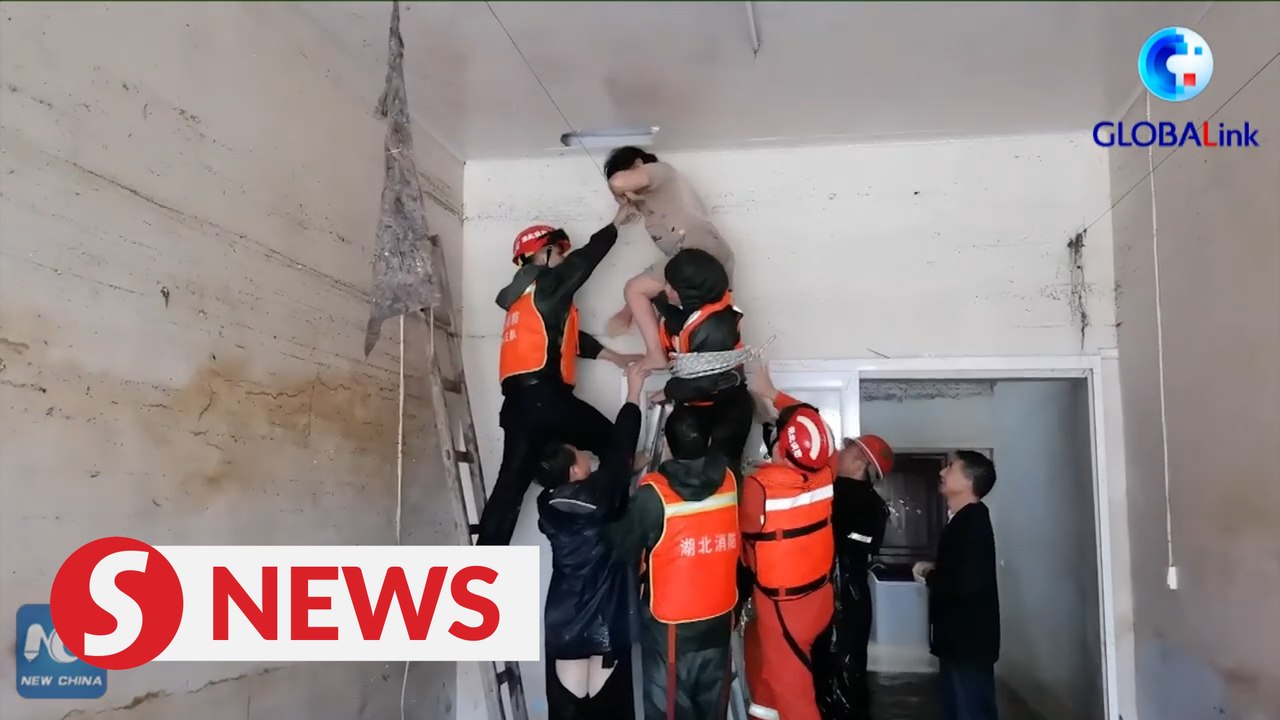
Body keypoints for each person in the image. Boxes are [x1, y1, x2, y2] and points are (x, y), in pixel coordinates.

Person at [478, 203, 642, 546]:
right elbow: (585, 262)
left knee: (509, 488)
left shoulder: (523, 299)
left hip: (520, 408)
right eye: (559, 251)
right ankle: (621, 529)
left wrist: (613, 356)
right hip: (547, 400)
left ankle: (483, 566)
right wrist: (615, 223)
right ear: (541, 254)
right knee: (615, 443)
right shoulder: (548, 282)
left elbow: (565, 339)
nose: (565, 259)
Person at [534, 361, 651, 720]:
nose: (587, 454)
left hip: (563, 617)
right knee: (609, 709)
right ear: (574, 469)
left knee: (568, 710)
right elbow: (620, 448)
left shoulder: (547, 503)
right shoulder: (604, 492)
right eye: (580, 454)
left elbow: (615, 463)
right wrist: (634, 391)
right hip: (605, 616)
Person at [608, 405, 740, 720]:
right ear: (708, 442)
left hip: (670, 634)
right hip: (720, 625)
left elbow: (621, 547)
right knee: (714, 712)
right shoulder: (731, 481)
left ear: (667, 445)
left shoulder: (653, 495)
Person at [740, 361, 838, 720]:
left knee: (793, 693)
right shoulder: (827, 472)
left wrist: (769, 394)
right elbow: (813, 425)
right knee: (768, 673)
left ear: (780, 446)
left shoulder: (759, 487)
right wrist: (773, 394)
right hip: (818, 598)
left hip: (783, 607)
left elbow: (745, 544)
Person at [601, 146, 735, 370]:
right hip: (702, 257)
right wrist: (627, 311)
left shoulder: (661, 172)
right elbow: (660, 276)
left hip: (701, 252)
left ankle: (655, 355)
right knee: (646, 294)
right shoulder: (650, 204)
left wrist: (617, 189)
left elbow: (617, 183)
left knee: (634, 288)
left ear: (636, 165)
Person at [646, 248, 754, 480]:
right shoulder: (697, 311)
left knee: (723, 475)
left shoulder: (717, 327)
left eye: (671, 287)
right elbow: (682, 322)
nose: (666, 290)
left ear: (689, 292)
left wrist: (667, 391)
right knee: (688, 470)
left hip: (726, 404)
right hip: (696, 405)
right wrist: (655, 300)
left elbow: (705, 382)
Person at [913, 451, 1000, 720]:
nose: (942, 472)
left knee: (969, 710)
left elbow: (963, 583)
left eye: (950, 467)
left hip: (967, 643)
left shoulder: (970, 523)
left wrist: (929, 575)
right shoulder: (964, 520)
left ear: (967, 481)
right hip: (961, 642)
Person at [831, 434, 895, 717]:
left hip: (847, 597)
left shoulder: (868, 505)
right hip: (836, 593)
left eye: (847, 449)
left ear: (861, 461)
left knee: (845, 671)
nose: (840, 452)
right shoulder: (834, 492)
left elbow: (859, 543)